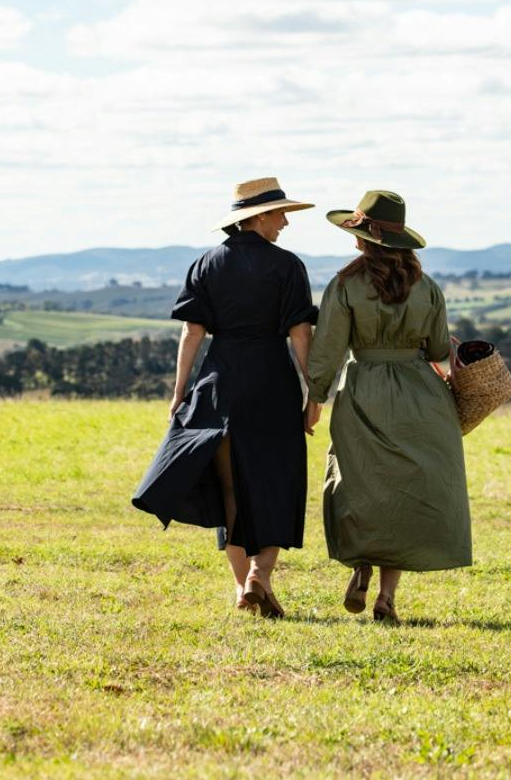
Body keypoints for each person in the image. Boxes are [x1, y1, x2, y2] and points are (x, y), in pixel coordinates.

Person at [131, 177, 319, 618]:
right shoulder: (288, 266)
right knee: (277, 481)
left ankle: (242, 588)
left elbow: (191, 331)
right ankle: (259, 576)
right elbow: (300, 334)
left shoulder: (205, 264)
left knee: (231, 488)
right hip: (271, 382)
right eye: (280, 213)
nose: (286, 222)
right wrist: (313, 389)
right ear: (256, 216)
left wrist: (179, 391)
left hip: (219, 382)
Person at [305, 190, 470, 624]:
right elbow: (438, 348)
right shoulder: (427, 286)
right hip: (420, 394)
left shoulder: (344, 285)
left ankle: (361, 567)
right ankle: (387, 597)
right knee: (405, 489)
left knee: (359, 482)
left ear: (362, 238)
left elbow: (328, 350)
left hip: (364, 388)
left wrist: (315, 398)